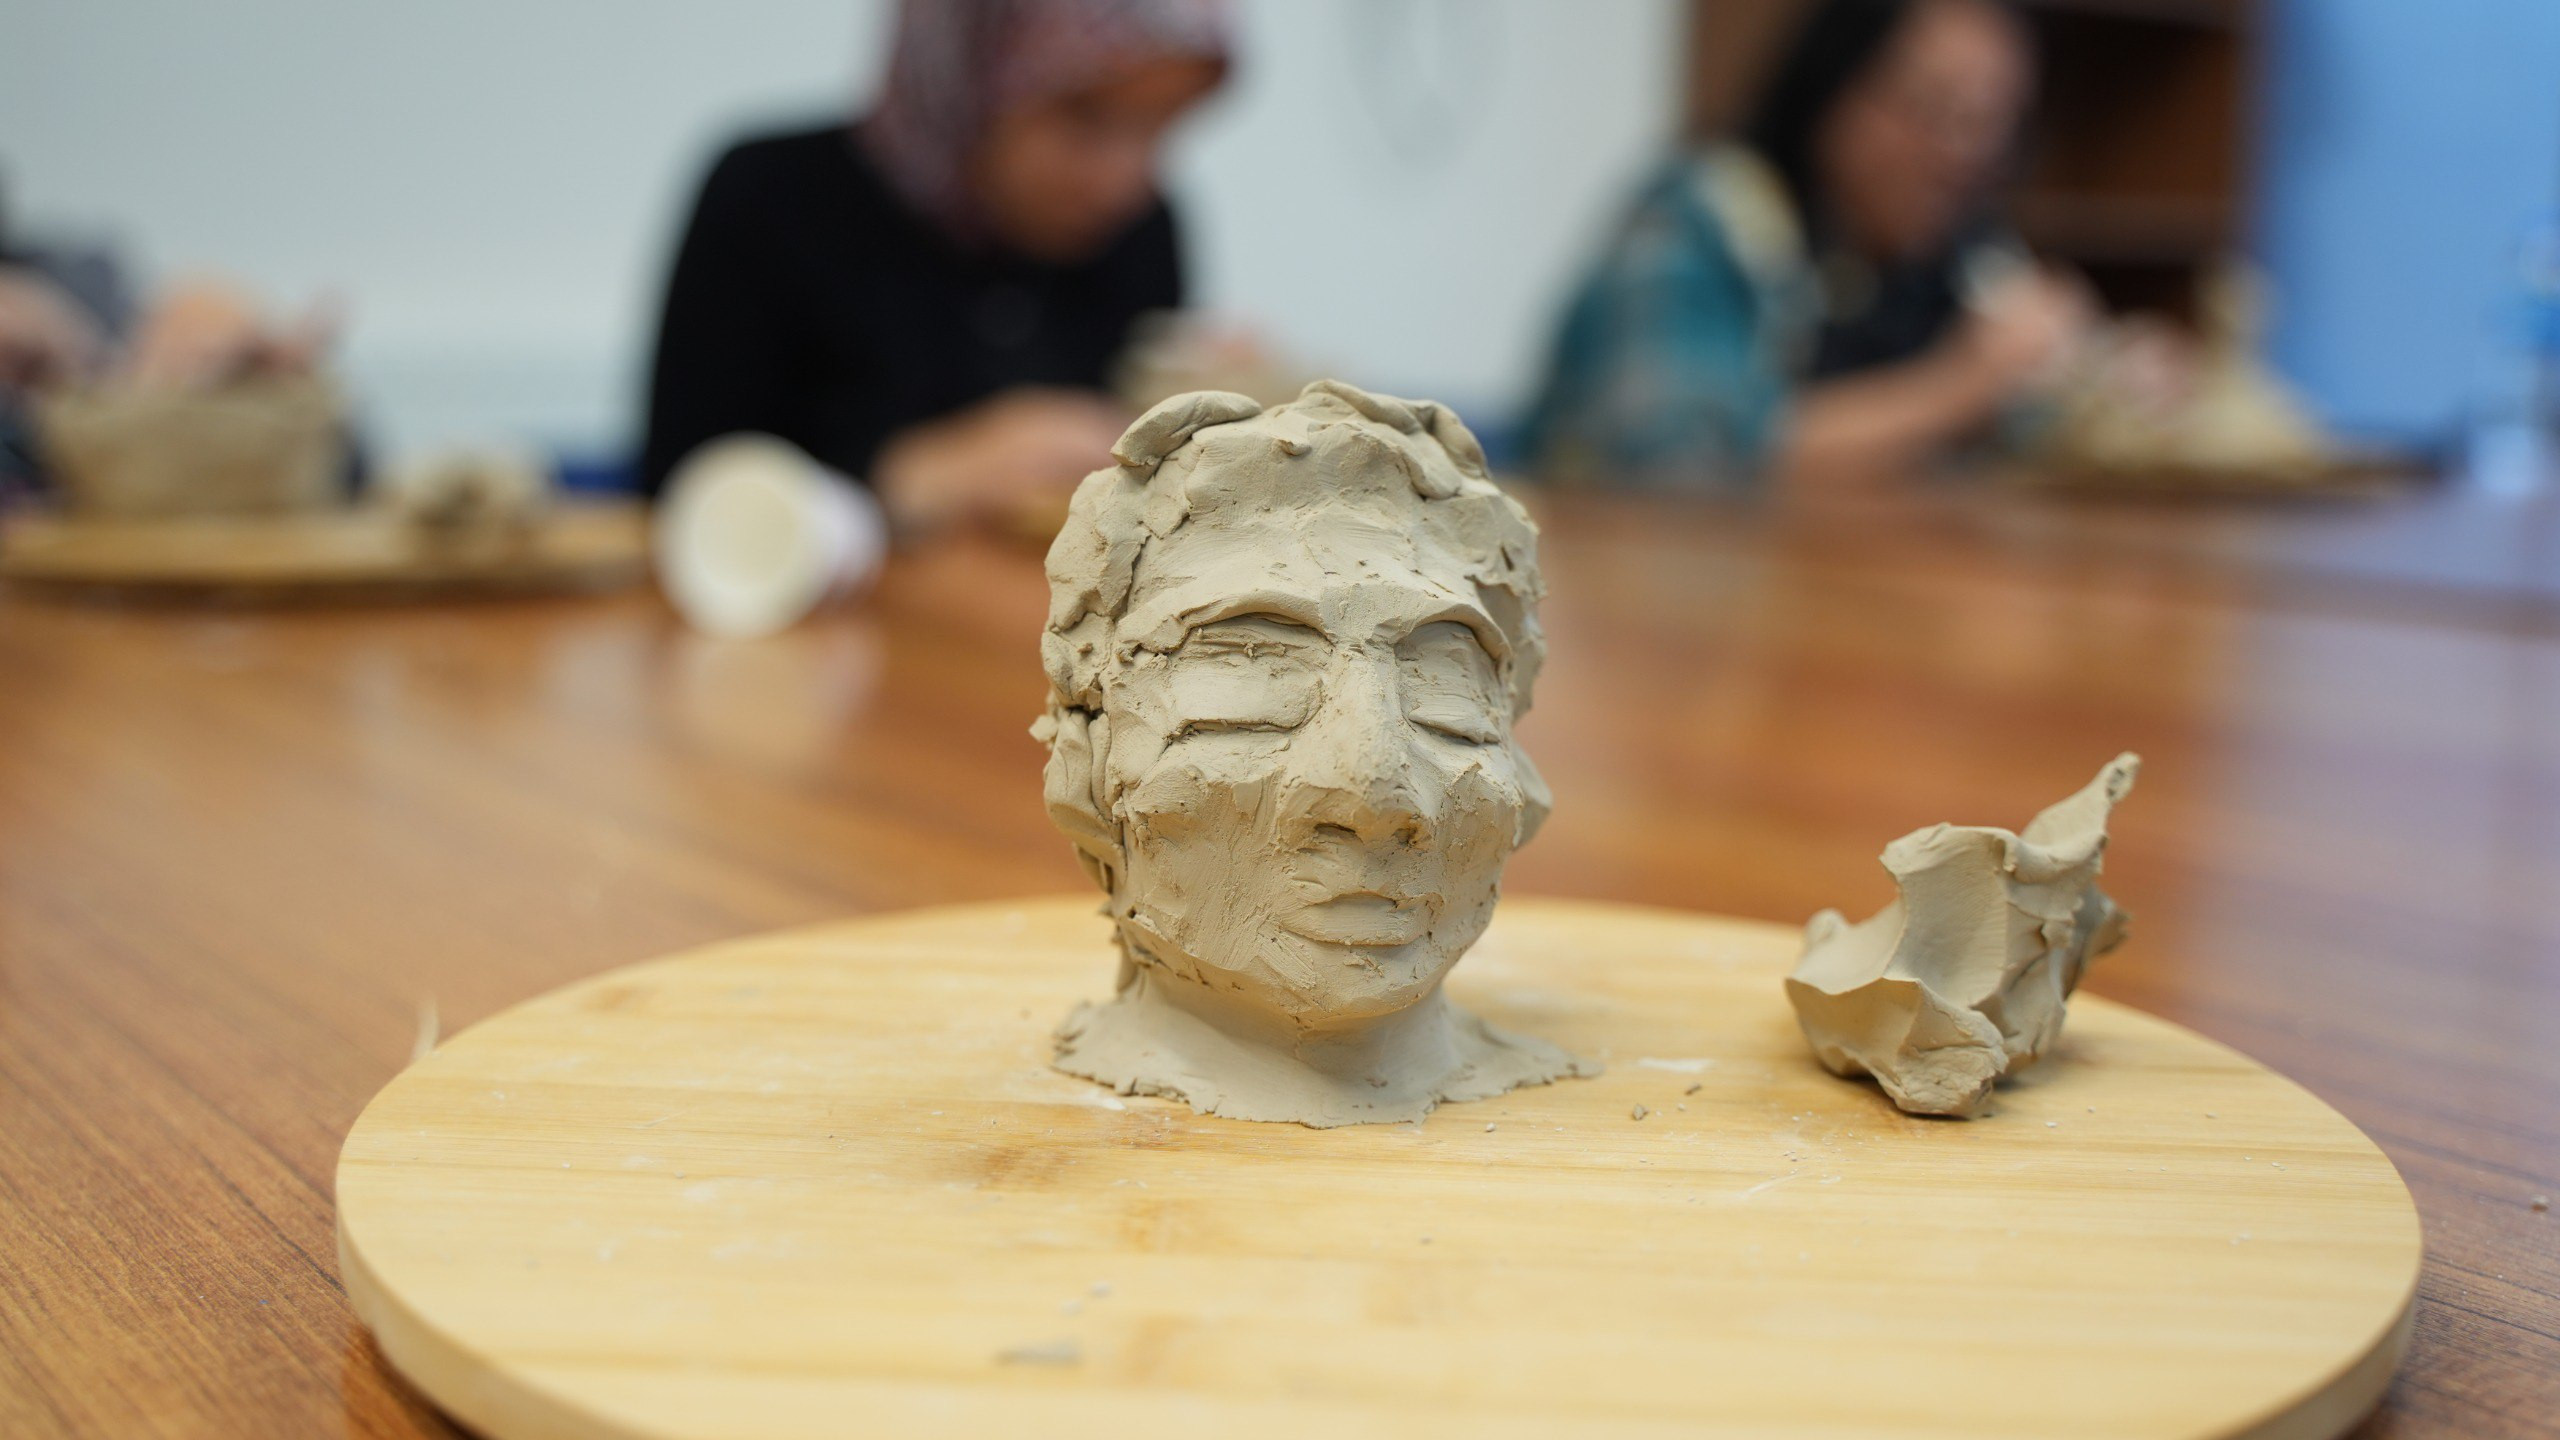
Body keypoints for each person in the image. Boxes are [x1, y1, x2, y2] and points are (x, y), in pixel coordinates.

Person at [639, 0, 1231, 534]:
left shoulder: (1143, 229)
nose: (1122, 181)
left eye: (1163, 125)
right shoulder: (770, 199)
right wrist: (910, 478)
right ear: (971, 72)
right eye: (1085, 118)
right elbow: (680, 496)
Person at [1525, 0, 2090, 491]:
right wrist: (1960, 389)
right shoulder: (1701, 217)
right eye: (1931, 108)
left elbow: (2026, 434)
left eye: (1993, 124)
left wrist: (2094, 394)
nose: (1961, 154)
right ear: (1832, 84)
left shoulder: (1967, 255)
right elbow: (1671, 463)